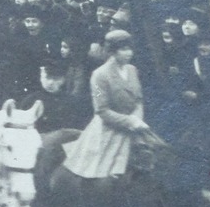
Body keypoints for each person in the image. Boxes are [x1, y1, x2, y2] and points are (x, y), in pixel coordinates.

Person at [61, 29, 152, 179]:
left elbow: (138, 99)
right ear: (112, 51)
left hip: (135, 126)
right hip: (108, 128)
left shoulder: (132, 70)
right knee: (104, 173)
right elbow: (101, 110)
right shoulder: (99, 75)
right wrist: (129, 121)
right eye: (123, 49)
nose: (129, 53)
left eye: (130, 49)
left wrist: (137, 118)